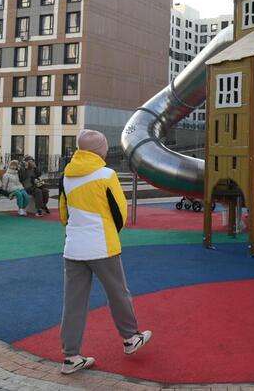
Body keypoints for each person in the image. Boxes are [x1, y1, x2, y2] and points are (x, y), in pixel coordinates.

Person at [58, 129, 152, 374]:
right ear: (100, 150)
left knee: (73, 302)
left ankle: (71, 356)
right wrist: (110, 231)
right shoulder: (106, 174)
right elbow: (120, 212)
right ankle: (130, 337)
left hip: (73, 247)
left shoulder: (66, 175)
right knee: (118, 292)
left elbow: (63, 213)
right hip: (102, 245)